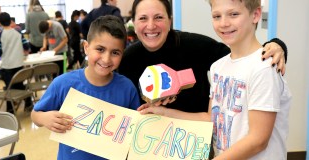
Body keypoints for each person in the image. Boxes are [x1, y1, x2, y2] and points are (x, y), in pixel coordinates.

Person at [138, 0, 292, 159]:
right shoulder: (218, 67)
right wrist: (164, 112)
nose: (224, 23)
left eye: (234, 14)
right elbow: (211, 119)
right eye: (217, 16)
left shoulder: (264, 67)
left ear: (256, 14)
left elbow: (258, 139)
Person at [118, 0, 288, 114]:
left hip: (197, 141)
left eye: (159, 17)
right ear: (133, 22)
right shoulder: (128, 58)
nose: (150, 25)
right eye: (142, 18)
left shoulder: (194, 45)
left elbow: (241, 55)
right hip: (149, 143)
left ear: (170, 21)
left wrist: (277, 44)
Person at [31, 15, 140, 160]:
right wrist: (45, 118)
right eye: (100, 49)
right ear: (86, 47)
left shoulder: (127, 88)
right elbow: (35, 115)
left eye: (115, 52)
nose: (106, 59)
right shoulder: (63, 84)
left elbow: (136, 129)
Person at [0, 12, 32, 113]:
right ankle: (28, 103)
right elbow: (26, 46)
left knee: (9, 88)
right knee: (19, 84)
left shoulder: (0, 35)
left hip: (7, 65)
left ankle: (10, 110)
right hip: (19, 64)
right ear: (10, 21)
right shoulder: (18, 32)